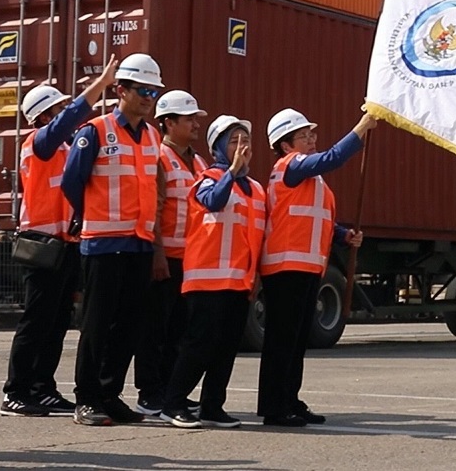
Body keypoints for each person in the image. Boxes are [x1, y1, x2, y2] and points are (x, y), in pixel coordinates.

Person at [0, 56, 120, 418]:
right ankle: (15, 391)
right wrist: (96, 88)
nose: (67, 112)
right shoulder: (39, 142)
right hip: (42, 243)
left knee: (56, 321)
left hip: (66, 243)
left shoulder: (65, 148)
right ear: (42, 116)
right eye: (59, 108)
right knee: (36, 320)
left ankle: (42, 387)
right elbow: (67, 123)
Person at [60, 53, 168, 426]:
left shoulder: (153, 136)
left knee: (129, 324)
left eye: (153, 92)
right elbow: (73, 182)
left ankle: (110, 393)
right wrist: (92, 213)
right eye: (142, 90)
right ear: (120, 90)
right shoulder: (95, 131)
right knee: (97, 323)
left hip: (138, 242)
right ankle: (87, 398)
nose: (148, 98)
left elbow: (152, 187)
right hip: (103, 243)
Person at [255, 107, 375, 427]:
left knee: (295, 341)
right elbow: (333, 157)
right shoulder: (291, 166)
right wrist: (361, 127)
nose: (311, 140)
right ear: (284, 144)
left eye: (312, 135)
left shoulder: (310, 178)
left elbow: (319, 218)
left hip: (305, 267)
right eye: (303, 136)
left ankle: (289, 400)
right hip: (285, 266)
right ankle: (274, 406)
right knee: (283, 340)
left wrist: (343, 235)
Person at [159, 115, 264, 430]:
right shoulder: (207, 178)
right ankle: (173, 403)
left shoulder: (256, 189)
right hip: (207, 280)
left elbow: (258, 235)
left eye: (246, 141)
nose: (242, 147)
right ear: (218, 147)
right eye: (234, 141)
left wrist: (255, 276)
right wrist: (231, 171)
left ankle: (212, 406)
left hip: (238, 281)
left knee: (227, 346)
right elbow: (213, 202)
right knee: (199, 344)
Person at [133, 90, 206, 417]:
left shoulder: (199, 160)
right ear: (168, 122)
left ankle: (170, 389)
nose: (195, 125)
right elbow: (155, 208)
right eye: (189, 119)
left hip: (192, 261)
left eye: (196, 119)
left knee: (179, 329)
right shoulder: (159, 158)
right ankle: (150, 392)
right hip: (167, 259)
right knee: (155, 329)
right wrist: (158, 254)